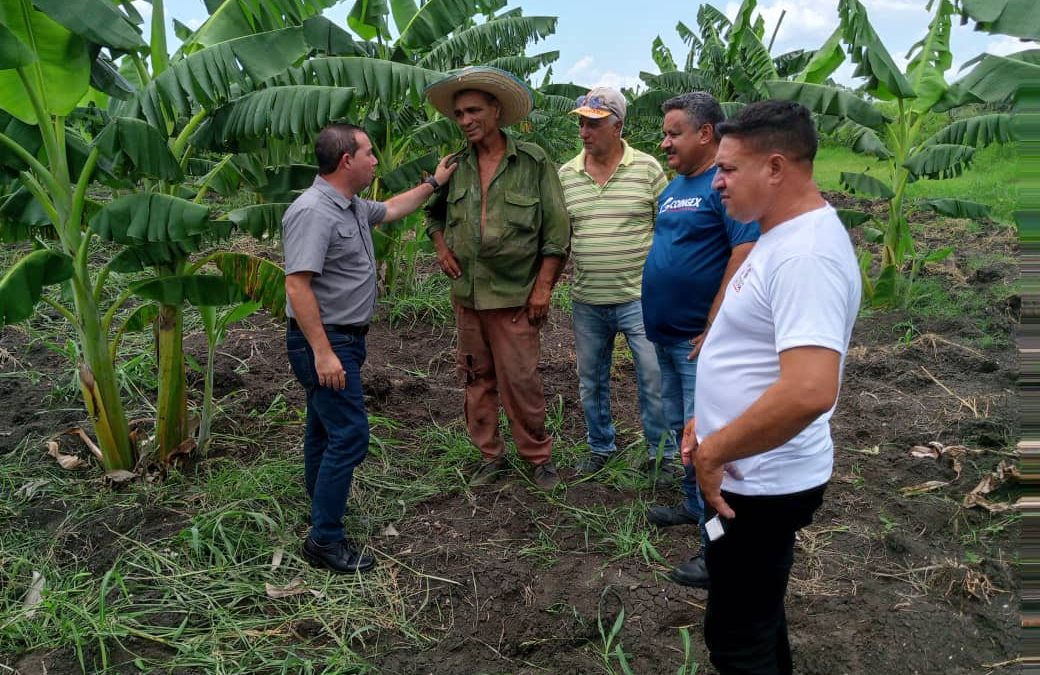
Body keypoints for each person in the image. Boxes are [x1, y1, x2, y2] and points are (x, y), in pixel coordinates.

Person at [682, 100, 862, 674]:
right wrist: (704, 421)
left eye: (729, 169)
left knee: (737, 640)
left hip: (759, 484)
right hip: (749, 472)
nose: (717, 182)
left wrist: (715, 449)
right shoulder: (779, 237)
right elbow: (752, 354)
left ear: (777, 168)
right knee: (757, 617)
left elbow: (810, 390)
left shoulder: (806, 257)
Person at [283, 123, 457, 573]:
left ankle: (322, 510)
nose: (376, 160)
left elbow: (396, 208)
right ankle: (325, 540)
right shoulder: (313, 212)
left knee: (324, 430)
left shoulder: (352, 206)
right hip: (326, 340)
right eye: (368, 153)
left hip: (345, 338)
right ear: (346, 161)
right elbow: (297, 286)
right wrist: (323, 352)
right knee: (350, 435)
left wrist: (433, 182)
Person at [424, 66, 570, 490]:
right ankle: (490, 456)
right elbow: (431, 211)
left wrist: (543, 288)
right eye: (459, 114)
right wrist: (441, 247)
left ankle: (538, 456)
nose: (465, 120)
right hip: (468, 297)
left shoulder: (531, 161)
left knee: (521, 380)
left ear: (496, 110)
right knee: (475, 378)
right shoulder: (455, 166)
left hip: (515, 297)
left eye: (473, 111)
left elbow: (557, 231)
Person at [641, 92, 759, 588]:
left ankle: (720, 552)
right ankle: (694, 509)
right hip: (666, 335)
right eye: (666, 133)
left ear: (705, 133)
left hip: (699, 341)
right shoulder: (673, 188)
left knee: (707, 440)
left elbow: (744, 250)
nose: (665, 141)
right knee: (680, 429)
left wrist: (714, 324)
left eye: (674, 132)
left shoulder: (722, 186)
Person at [557, 87, 670, 475]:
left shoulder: (647, 169)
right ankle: (600, 446)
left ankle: (663, 456)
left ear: (618, 126)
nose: (584, 131)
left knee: (654, 379)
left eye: (594, 124)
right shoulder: (566, 175)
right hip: (587, 299)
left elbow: (668, 229)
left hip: (641, 298)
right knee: (590, 380)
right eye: (582, 123)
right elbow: (560, 238)